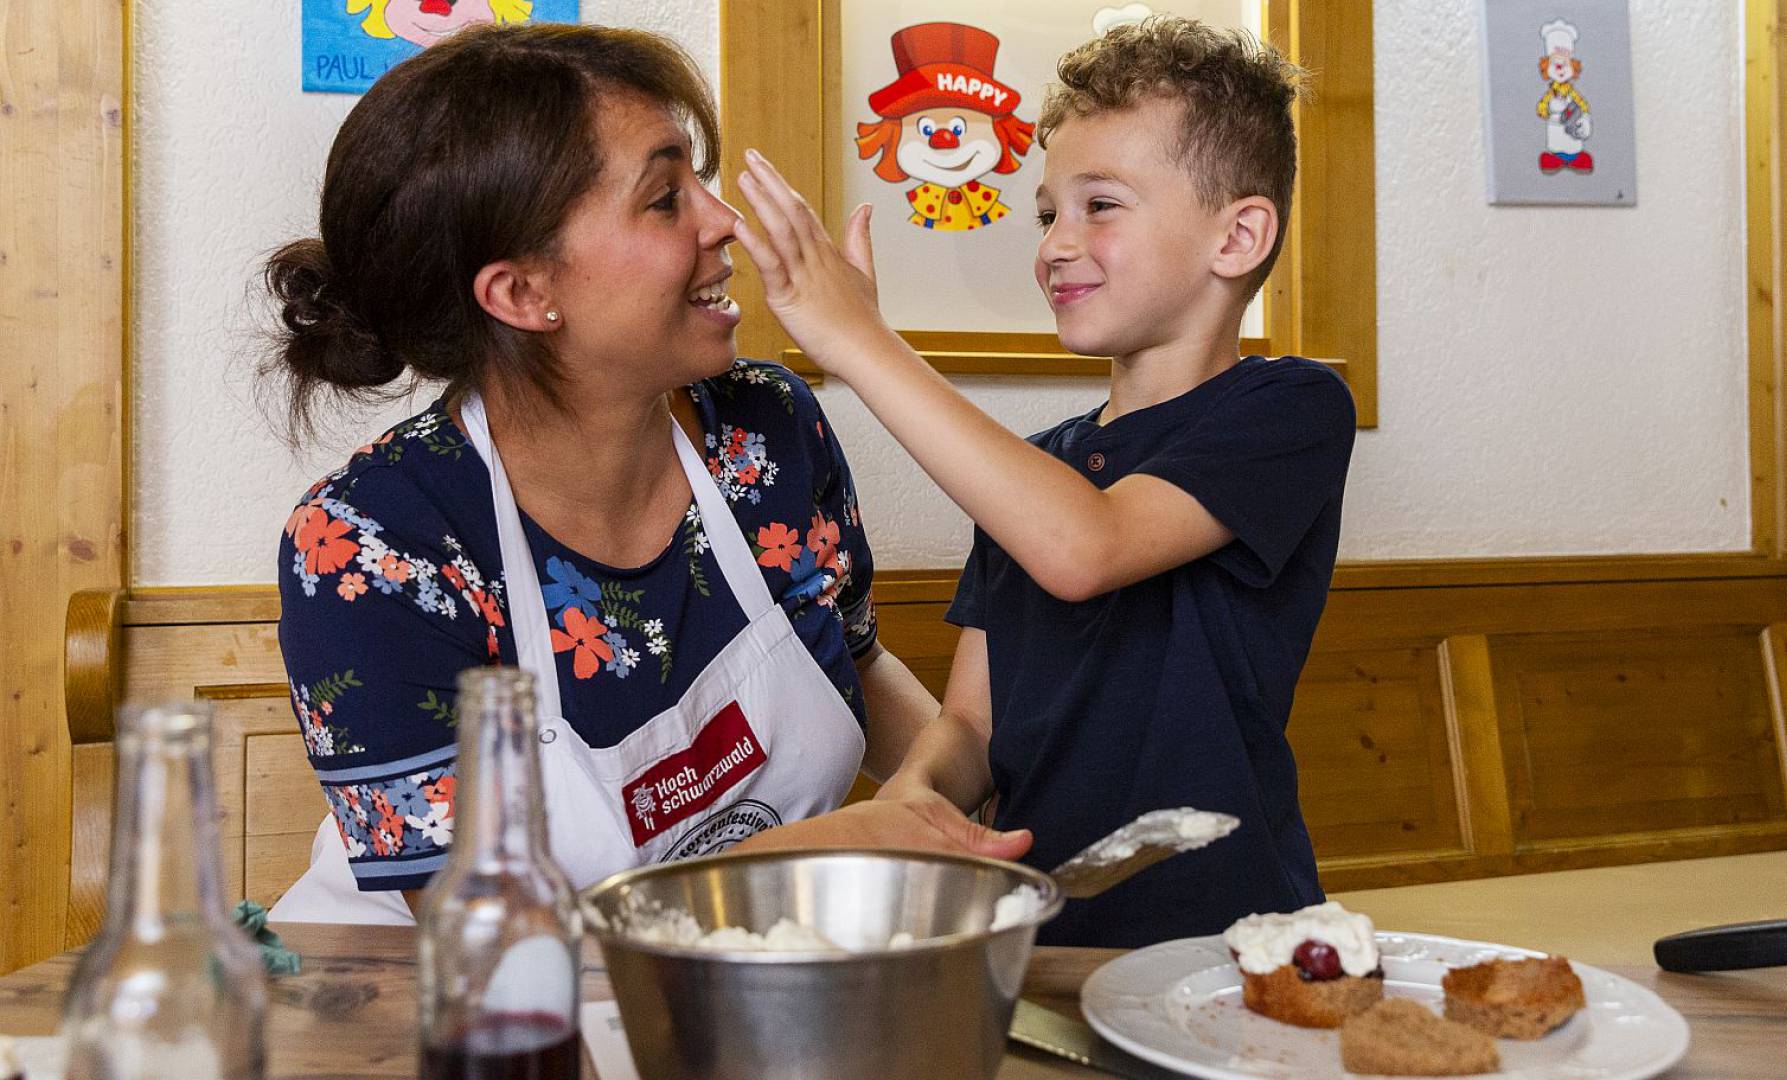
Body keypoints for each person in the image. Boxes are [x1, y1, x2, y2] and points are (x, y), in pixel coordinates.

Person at [262, 23, 1029, 925]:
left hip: (725, 982)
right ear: (523, 293)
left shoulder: (767, 430)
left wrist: (970, 818)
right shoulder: (368, 545)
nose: (723, 221)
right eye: (667, 198)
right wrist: (833, 854)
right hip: (429, 998)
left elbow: (858, 661)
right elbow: (485, 933)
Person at [730, 16, 1355, 946]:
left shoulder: (1292, 407)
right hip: (1035, 934)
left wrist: (862, 342)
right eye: (1047, 214)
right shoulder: (1034, 473)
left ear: (1238, 236)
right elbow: (974, 725)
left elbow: (1087, 548)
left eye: (1100, 205)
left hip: (1223, 937)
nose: (1057, 244)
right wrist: (918, 791)